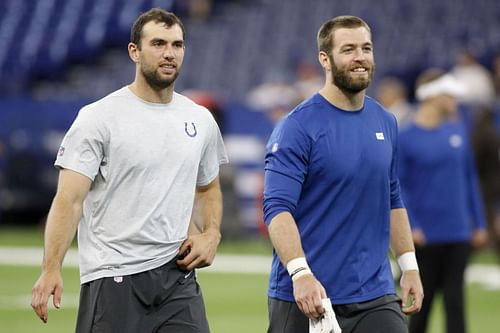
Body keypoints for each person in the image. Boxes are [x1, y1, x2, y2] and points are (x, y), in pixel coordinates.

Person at [31, 8, 228, 333]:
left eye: (177, 45)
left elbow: (208, 188)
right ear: (134, 51)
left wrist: (211, 234)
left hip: (178, 279)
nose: (169, 53)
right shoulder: (99, 118)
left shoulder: (200, 119)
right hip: (114, 278)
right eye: (159, 43)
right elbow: (69, 200)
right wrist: (51, 268)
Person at [263, 15, 423, 333]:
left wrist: (409, 265)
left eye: (366, 48)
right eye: (348, 49)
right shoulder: (297, 127)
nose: (360, 57)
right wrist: (300, 274)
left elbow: (392, 198)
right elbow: (277, 210)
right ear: (325, 58)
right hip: (308, 294)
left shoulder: (386, 121)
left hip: (374, 294)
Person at [398, 69, 488, 333]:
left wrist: (479, 223)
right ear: (433, 95)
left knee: (456, 303)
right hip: (425, 236)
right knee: (421, 307)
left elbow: (470, 179)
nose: (454, 100)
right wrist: (411, 226)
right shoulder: (406, 137)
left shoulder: (458, 131)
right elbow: (400, 188)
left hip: (458, 233)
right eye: (449, 95)